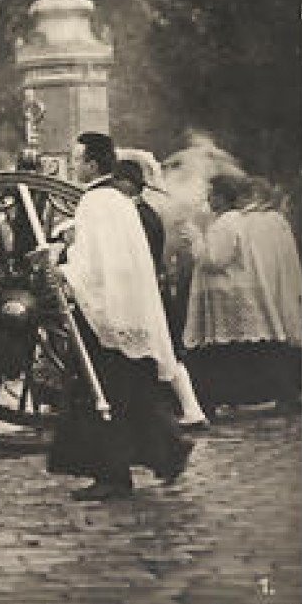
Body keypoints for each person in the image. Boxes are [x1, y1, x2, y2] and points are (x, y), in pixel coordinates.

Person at [45, 133, 192, 501]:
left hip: (106, 311)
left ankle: (112, 474)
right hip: (128, 307)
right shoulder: (119, 200)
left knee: (101, 392)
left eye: (78, 160)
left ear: (93, 164)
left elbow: (94, 263)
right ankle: (168, 450)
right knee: (134, 388)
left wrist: (64, 270)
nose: (75, 167)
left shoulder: (95, 202)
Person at [182, 173, 301, 411]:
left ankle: (218, 399)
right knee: (246, 348)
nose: (209, 199)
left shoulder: (228, 221)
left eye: (212, 194)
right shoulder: (234, 220)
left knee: (229, 351)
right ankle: (276, 394)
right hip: (230, 294)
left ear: (223, 197)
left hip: (228, 296)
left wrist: (195, 238)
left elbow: (215, 259)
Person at [113, 158, 210, 431]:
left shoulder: (140, 216)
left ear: (127, 185)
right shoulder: (146, 213)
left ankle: (190, 410)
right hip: (153, 288)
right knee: (163, 350)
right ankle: (189, 409)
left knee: (164, 350)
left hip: (148, 291)